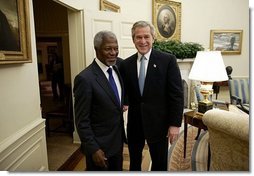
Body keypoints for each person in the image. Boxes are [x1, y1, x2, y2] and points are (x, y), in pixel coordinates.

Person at [120, 21, 184, 171]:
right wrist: (124, 101)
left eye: (146, 37)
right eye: (138, 37)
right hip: (135, 124)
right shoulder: (126, 64)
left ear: (153, 38)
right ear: (133, 39)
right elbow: (126, 90)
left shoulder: (167, 60)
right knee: (134, 163)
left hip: (159, 124)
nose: (143, 41)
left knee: (159, 163)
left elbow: (176, 95)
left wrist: (174, 124)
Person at [73, 31, 126, 171]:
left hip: (117, 142)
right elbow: (81, 120)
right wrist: (93, 149)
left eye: (116, 48)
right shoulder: (85, 79)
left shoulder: (118, 67)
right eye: (108, 48)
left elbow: (116, 98)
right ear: (96, 49)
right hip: (99, 148)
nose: (113, 52)